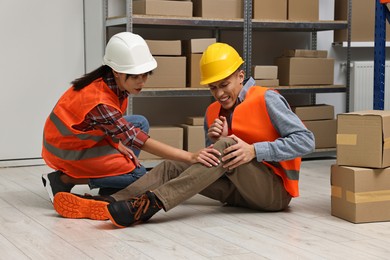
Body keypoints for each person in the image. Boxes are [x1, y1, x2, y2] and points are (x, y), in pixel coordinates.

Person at [52, 42, 315, 226]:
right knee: (175, 164)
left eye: (224, 85)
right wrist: (212, 141)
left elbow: (307, 141)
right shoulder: (213, 111)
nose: (219, 93)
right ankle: (110, 202)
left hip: (273, 193)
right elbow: (209, 164)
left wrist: (254, 150)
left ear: (240, 76)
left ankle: (148, 205)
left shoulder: (266, 99)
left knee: (224, 146)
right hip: (237, 193)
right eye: (212, 88)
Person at [41, 32, 221, 202]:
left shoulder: (111, 81)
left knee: (140, 122)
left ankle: (113, 183)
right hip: (67, 149)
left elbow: (110, 126)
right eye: (135, 76)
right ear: (117, 71)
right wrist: (190, 157)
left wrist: (117, 144)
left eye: (145, 75)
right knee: (138, 175)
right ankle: (64, 180)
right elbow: (137, 139)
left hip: (80, 139)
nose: (142, 82)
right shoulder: (100, 101)